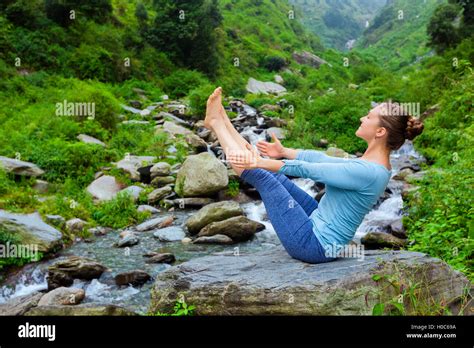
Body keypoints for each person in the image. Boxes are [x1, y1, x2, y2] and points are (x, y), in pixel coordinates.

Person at [204, 87, 424, 263]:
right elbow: (323, 160)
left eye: (368, 116)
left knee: (263, 177)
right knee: (275, 177)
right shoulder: (374, 165)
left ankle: (216, 124)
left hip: (313, 246)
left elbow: (313, 171)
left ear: (380, 132)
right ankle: (222, 119)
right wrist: (284, 153)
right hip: (318, 223)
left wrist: (262, 162)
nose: (361, 118)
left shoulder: (369, 171)